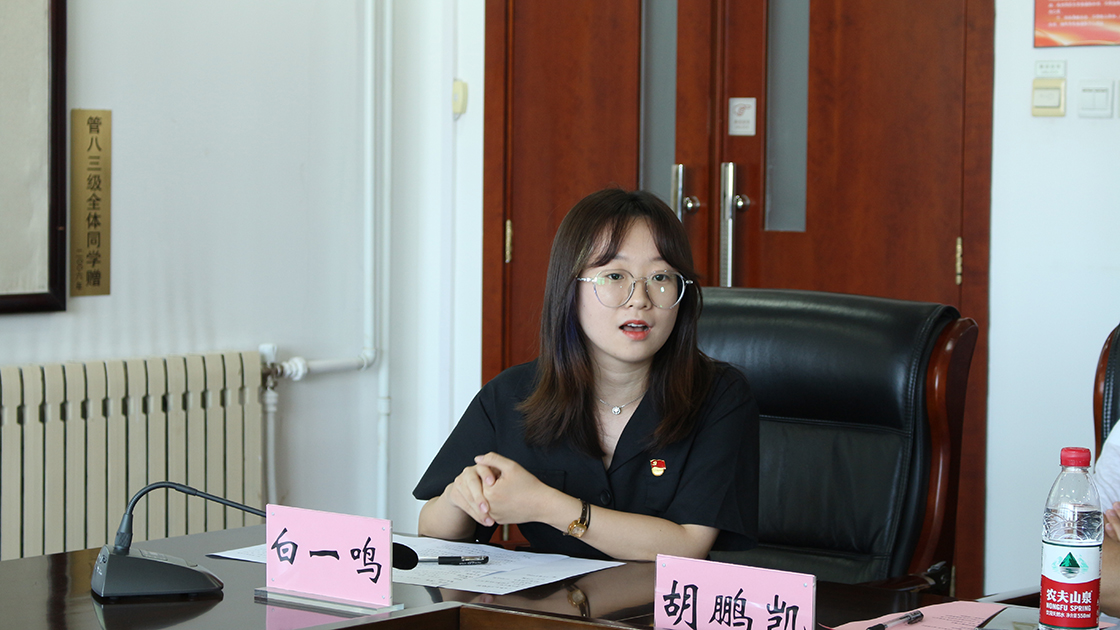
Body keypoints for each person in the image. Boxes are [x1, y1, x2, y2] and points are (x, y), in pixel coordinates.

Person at [412, 188, 759, 562]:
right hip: (550, 599)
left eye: (661, 276)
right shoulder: (513, 394)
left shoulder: (717, 395)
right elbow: (431, 529)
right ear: (571, 289)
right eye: (615, 275)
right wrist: (460, 498)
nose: (640, 298)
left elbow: (688, 545)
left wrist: (547, 505)